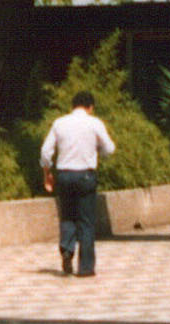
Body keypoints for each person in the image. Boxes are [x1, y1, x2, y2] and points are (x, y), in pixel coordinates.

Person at [40, 87, 118, 276]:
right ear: (90, 107)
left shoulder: (59, 123)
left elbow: (45, 151)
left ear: (73, 106)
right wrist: (96, 149)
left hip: (64, 175)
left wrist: (47, 172)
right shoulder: (94, 123)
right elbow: (110, 148)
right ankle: (85, 268)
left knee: (67, 216)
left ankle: (67, 251)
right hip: (85, 176)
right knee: (86, 221)